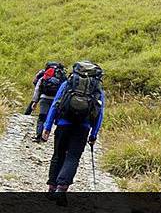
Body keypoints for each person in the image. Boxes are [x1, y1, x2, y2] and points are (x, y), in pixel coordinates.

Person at [42, 61, 105, 206]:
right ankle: (61, 190)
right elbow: (100, 113)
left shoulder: (69, 83)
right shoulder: (97, 88)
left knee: (58, 154)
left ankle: (51, 188)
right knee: (73, 157)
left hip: (63, 124)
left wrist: (47, 125)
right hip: (83, 127)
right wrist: (94, 134)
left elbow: (55, 104)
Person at [28, 62, 67, 143]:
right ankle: (48, 136)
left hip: (44, 98)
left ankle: (38, 136)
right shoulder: (62, 77)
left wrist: (35, 102)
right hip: (57, 101)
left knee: (42, 117)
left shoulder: (45, 75)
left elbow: (37, 89)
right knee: (52, 118)